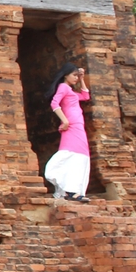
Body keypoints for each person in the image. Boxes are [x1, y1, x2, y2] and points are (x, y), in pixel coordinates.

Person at [45, 63, 92, 202]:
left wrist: (82, 78)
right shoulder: (63, 87)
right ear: (66, 75)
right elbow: (54, 103)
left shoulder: (71, 91)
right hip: (71, 126)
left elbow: (85, 96)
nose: (76, 78)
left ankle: (73, 191)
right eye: (74, 75)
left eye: (77, 76)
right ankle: (70, 190)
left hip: (78, 125)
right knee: (71, 155)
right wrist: (64, 121)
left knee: (81, 156)